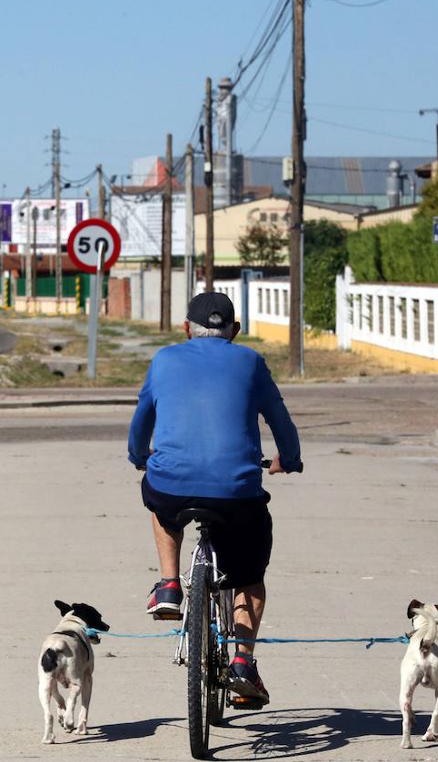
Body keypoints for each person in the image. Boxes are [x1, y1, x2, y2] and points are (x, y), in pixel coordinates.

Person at [127, 291, 302, 707]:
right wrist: (289, 460)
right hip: (237, 492)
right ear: (234, 331)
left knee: (159, 502)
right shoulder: (251, 362)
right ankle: (242, 661)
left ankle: (170, 584)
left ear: (186, 329)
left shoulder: (164, 360)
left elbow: (141, 420)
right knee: (249, 576)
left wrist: (139, 457)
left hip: (172, 483)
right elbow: (280, 418)